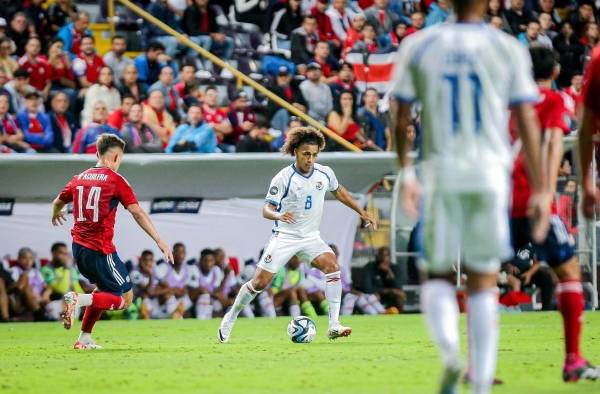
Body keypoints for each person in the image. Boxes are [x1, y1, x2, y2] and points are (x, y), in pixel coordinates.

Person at [392, 0, 548, 392]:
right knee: (483, 278)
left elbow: (400, 113)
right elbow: (527, 120)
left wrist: (406, 171)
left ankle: (449, 354)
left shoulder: (420, 44)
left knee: (437, 275)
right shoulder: (507, 47)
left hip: (442, 172)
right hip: (490, 174)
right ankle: (479, 383)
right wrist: (543, 187)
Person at [218, 126, 377, 343]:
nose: (310, 159)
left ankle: (334, 325)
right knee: (259, 283)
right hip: (285, 237)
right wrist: (279, 214)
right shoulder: (283, 178)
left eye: (314, 155)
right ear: (295, 152)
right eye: (306, 154)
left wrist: (362, 211)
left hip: (310, 237)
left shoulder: (324, 173)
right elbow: (266, 209)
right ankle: (230, 317)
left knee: (333, 267)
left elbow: (338, 191)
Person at [52, 133, 173, 349]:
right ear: (115, 158)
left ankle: (84, 339)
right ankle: (78, 300)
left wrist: (55, 212)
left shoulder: (79, 178)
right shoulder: (116, 180)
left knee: (102, 290)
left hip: (78, 249)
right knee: (125, 298)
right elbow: (137, 212)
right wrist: (159, 240)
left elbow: (57, 201)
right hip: (101, 250)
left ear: (97, 153)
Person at [40, 242, 91, 321]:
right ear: (53, 253)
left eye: (66, 254)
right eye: (61, 253)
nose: (64, 256)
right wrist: (66, 268)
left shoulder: (72, 269)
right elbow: (61, 290)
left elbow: (79, 287)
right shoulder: (46, 270)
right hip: (57, 302)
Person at [8, 247, 50, 320]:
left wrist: (45, 295)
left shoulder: (36, 272)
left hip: (38, 299)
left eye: (30, 258)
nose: (28, 261)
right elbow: (17, 288)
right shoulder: (14, 270)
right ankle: (37, 312)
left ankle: (38, 312)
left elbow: (46, 286)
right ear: (18, 259)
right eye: (24, 258)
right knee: (25, 280)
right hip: (20, 300)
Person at [359, 247, 404, 312]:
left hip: (390, 296)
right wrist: (385, 291)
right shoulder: (369, 267)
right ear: (377, 256)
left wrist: (389, 272)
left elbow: (398, 286)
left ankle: (399, 316)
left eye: (386, 255)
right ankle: (381, 313)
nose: (383, 258)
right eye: (381, 255)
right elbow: (367, 288)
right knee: (373, 297)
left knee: (400, 296)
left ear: (390, 257)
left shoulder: (395, 268)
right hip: (375, 294)